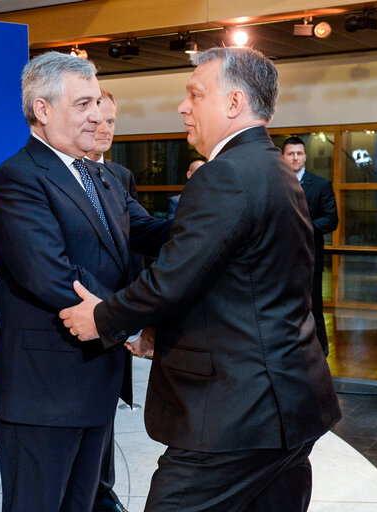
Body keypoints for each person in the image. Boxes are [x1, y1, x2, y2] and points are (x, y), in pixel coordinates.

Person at [60, 46, 341, 511]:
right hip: (291, 401)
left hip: (238, 414)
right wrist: (157, 329)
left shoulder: (224, 175)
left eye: (194, 94)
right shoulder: (273, 168)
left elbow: (174, 278)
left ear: (233, 104)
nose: (182, 107)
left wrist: (104, 318)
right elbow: (237, 284)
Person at [0, 51, 170, 512]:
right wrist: (130, 321)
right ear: (42, 110)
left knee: (84, 503)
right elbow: (52, 275)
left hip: (96, 378)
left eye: (97, 103)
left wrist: (212, 210)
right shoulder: (18, 178)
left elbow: (142, 232)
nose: (97, 116)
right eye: (83, 104)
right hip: (44, 390)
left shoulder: (100, 175)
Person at [86, 88, 144, 512]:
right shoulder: (48, 177)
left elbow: (136, 239)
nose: (104, 128)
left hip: (116, 312)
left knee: (106, 407)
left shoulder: (120, 176)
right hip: (84, 314)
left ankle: (103, 492)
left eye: (111, 121)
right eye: (97, 119)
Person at [282, 136, 339, 356]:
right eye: (290, 153)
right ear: (283, 157)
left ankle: (320, 352)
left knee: (313, 305)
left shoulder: (321, 185)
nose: (295, 158)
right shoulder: (275, 183)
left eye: (299, 153)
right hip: (279, 257)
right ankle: (289, 353)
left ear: (305, 156)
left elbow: (331, 220)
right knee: (284, 306)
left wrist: (303, 226)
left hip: (310, 257)